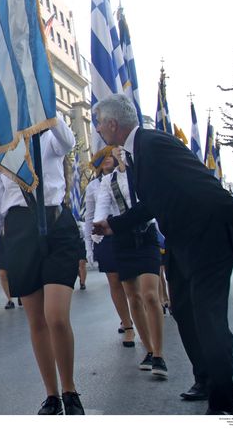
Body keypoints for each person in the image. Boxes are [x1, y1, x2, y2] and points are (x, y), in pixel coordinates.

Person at [91, 94, 233, 415]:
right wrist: (114, 225)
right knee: (183, 310)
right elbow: (153, 202)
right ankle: (204, 379)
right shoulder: (136, 152)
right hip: (181, 242)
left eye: (98, 122)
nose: (96, 128)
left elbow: (206, 184)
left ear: (112, 123)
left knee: (209, 320)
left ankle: (223, 405)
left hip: (208, 241)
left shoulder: (154, 144)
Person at [0, 117, 85, 415]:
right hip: (20, 231)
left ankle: (70, 390)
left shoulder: (48, 135)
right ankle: (51, 395)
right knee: (36, 319)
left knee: (56, 316)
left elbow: (67, 142)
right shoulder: (0, 151)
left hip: (56, 226)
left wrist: (48, 109)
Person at [94, 149, 167, 377]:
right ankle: (148, 349)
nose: (117, 152)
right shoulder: (108, 180)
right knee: (133, 297)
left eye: (120, 149)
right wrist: (96, 228)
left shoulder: (142, 174)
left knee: (150, 295)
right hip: (122, 239)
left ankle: (159, 355)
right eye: (114, 149)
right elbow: (102, 206)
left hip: (146, 236)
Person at [84, 168, 136, 346]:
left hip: (125, 229)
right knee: (114, 281)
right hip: (104, 235)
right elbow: (90, 217)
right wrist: (88, 245)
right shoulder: (93, 186)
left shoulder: (126, 175)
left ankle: (140, 316)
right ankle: (128, 325)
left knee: (130, 284)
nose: (107, 158)